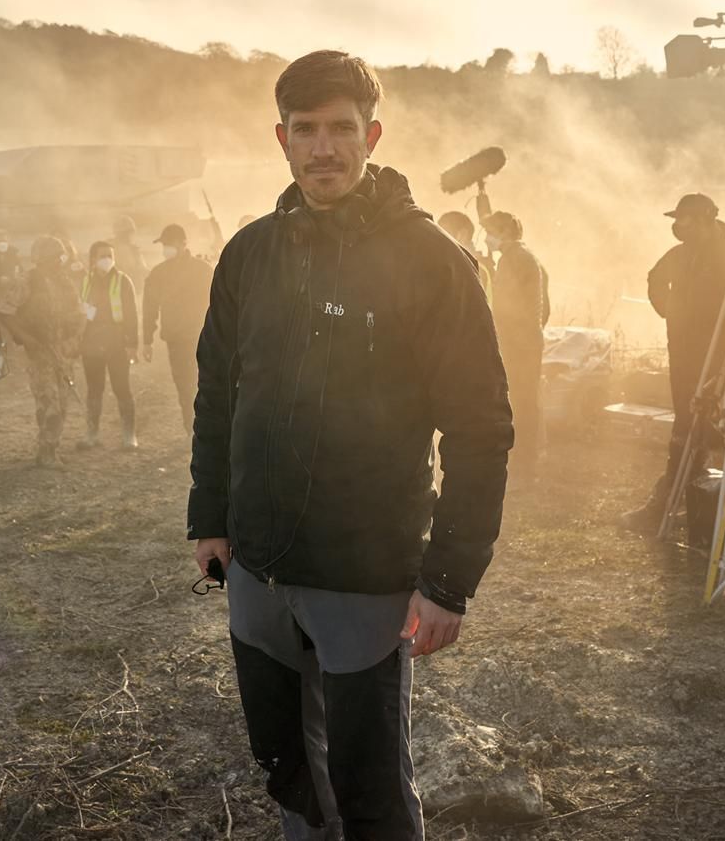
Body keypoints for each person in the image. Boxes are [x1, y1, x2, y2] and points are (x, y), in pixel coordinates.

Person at [189, 50, 513, 839]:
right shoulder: (249, 253)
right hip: (257, 568)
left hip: (363, 573)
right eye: (305, 130)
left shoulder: (430, 261)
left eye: (341, 129)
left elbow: (480, 428)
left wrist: (448, 580)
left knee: (369, 789)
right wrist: (211, 518)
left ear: (372, 136)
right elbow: (219, 395)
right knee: (286, 767)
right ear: (282, 139)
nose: (324, 148)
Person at [621, 193, 725, 537]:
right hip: (682, 349)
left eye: (683, 219)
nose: (677, 226)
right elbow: (654, 278)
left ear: (703, 220)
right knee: (685, 420)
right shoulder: (680, 253)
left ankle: (675, 499)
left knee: (698, 420)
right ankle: (684, 496)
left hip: (715, 351)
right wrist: (669, 311)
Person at [482, 210, 549, 482]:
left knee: (521, 402)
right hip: (527, 338)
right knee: (526, 400)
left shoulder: (513, 259)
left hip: (518, 341)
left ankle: (524, 465)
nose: (487, 238)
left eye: (490, 232)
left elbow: (503, 305)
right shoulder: (524, 256)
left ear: (505, 233)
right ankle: (526, 461)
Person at [8, 235, 86, 467]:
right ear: (40, 258)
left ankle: (52, 447)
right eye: (53, 257)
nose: (58, 261)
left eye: (60, 257)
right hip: (40, 352)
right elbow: (5, 312)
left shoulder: (65, 282)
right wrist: (27, 339)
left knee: (62, 403)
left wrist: (75, 340)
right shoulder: (26, 281)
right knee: (48, 402)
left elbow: (79, 313)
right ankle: (46, 452)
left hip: (62, 351)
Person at [140, 223, 213, 437]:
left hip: (204, 338)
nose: (166, 249)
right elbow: (149, 307)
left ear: (183, 243)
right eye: (164, 245)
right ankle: (192, 430)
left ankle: (209, 429)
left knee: (208, 383)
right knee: (184, 386)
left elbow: (218, 302)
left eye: (169, 244)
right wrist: (147, 339)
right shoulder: (159, 273)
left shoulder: (203, 270)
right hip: (177, 341)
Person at [79, 240, 140, 449]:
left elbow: (132, 315)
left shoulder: (123, 281)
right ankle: (92, 434)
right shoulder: (85, 281)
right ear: (92, 259)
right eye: (102, 255)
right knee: (94, 390)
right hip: (91, 343)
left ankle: (129, 435)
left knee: (122, 388)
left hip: (117, 343)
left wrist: (132, 344)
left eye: (110, 256)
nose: (107, 259)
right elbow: (79, 311)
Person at [437, 210, 494, 304]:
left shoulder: (474, 269)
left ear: (462, 235)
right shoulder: (456, 265)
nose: (439, 239)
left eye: (444, 232)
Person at [110, 215, 148, 292]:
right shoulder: (109, 248)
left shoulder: (134, 249)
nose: (129, 236)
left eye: (130, 232)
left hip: (132, 288)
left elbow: (143, 269)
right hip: (120, 288)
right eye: (126, 233)